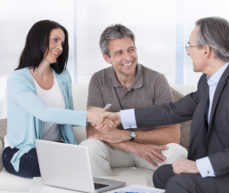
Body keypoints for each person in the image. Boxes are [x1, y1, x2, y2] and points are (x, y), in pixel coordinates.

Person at [102, 17, 229, 193]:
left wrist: (198, 166)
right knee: (163, 175)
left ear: (206, 50)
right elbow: (172, 111)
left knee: (180, 184)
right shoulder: (208, 82)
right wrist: (120, 117)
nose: (188, 53)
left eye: (190, 46)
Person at [80, 24, 187, 176]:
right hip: (117, 149)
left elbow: (173, 135)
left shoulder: (157, 80)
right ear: (107, 58)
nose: (128, 57)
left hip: (152, 149)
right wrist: (132, 147)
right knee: (89, 147)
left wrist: (130, 135)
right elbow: (91, 131)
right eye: (119, 53)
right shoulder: (98, 80)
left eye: (131, 49)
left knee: (178, 152)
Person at [3, 20, 106, 178]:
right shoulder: (18, 79)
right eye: (55, 40)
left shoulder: (62, 76)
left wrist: (97, 117)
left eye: (62, 43)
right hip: (22, 151)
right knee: (51, 167)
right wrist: (86, 116)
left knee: (84, 163)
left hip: (53, 147)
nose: (60, 47)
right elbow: (42, 112)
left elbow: (67, 115)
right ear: (38, 40)